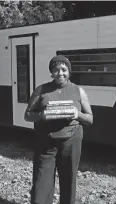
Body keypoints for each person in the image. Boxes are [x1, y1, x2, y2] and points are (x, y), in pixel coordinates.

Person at [24, 55, 93, 204]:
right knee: (41, 183)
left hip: (71, 141)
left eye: (64, 69)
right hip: (46, 142)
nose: (60, 73)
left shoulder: (78, 90)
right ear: (51, 72)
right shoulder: (41, 90)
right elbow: (27, 115)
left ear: (69, 72)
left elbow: (90, 119)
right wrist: (41, 115)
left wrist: (77, 114)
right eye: (56, 70)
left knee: (69, 179)